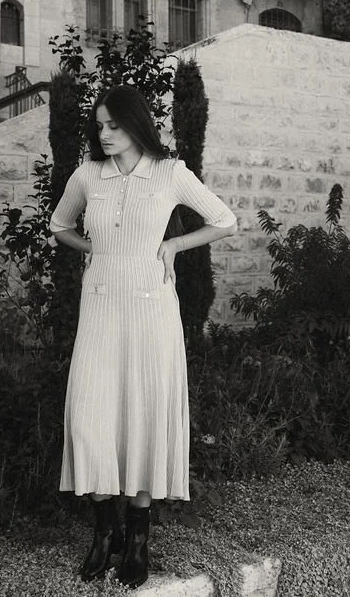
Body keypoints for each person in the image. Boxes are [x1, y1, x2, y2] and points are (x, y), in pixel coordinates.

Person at [48, 85, 237, 588]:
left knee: (145, 413)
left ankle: (137, 538)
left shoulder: (170, 172)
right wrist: (92, 248)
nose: (104, 134)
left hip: (153, 307)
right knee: (92, 413)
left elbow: (225, 220)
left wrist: (174, 244)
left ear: (136, 125)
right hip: (102, 303)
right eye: (100, 126)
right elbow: (58, 225)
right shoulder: (88, 174)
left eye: (113, 125)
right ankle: (103, 531)